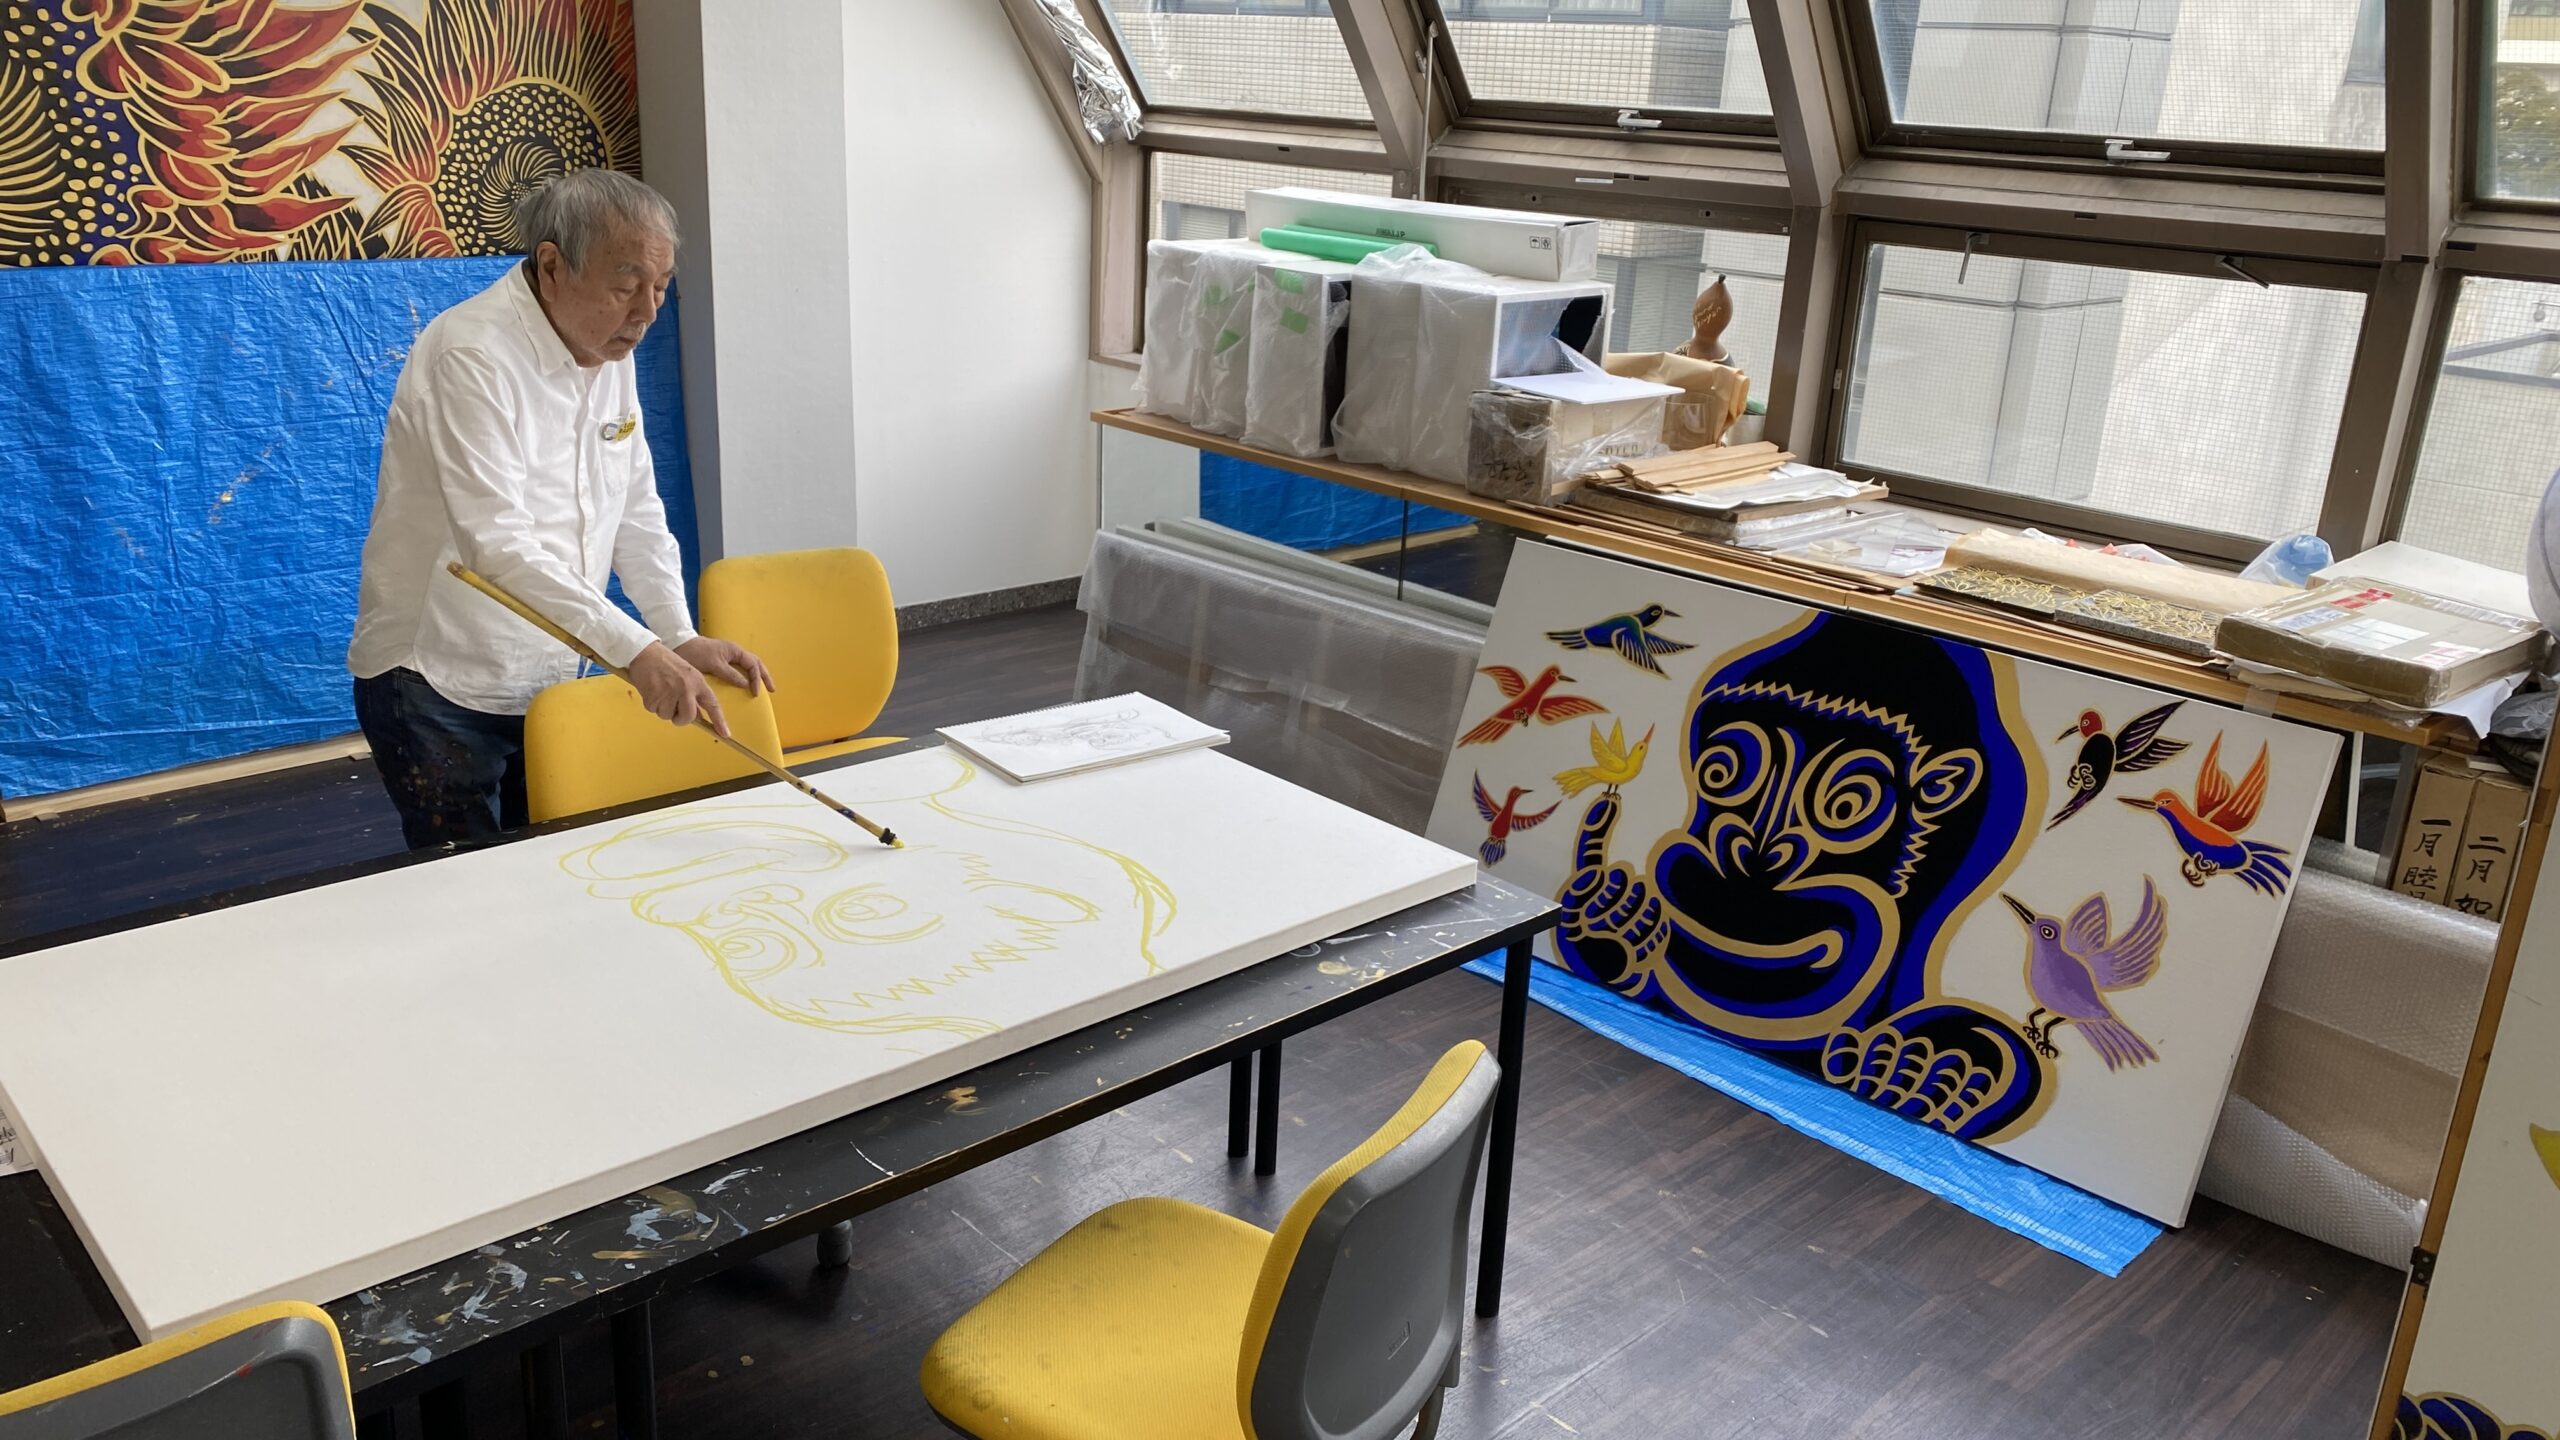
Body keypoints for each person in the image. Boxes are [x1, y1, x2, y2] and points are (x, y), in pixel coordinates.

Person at [347, 168, 773, 850]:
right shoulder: (472, 354)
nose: (647, 311)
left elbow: (635, 509)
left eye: (662, 285)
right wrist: (636, 651)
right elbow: (495, 544)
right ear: (551, 266)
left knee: (551, 860)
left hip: (552, 668)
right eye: (626, 285)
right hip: (439, 675)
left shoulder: (609, 345)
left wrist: (676, 633)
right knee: (465, 880)